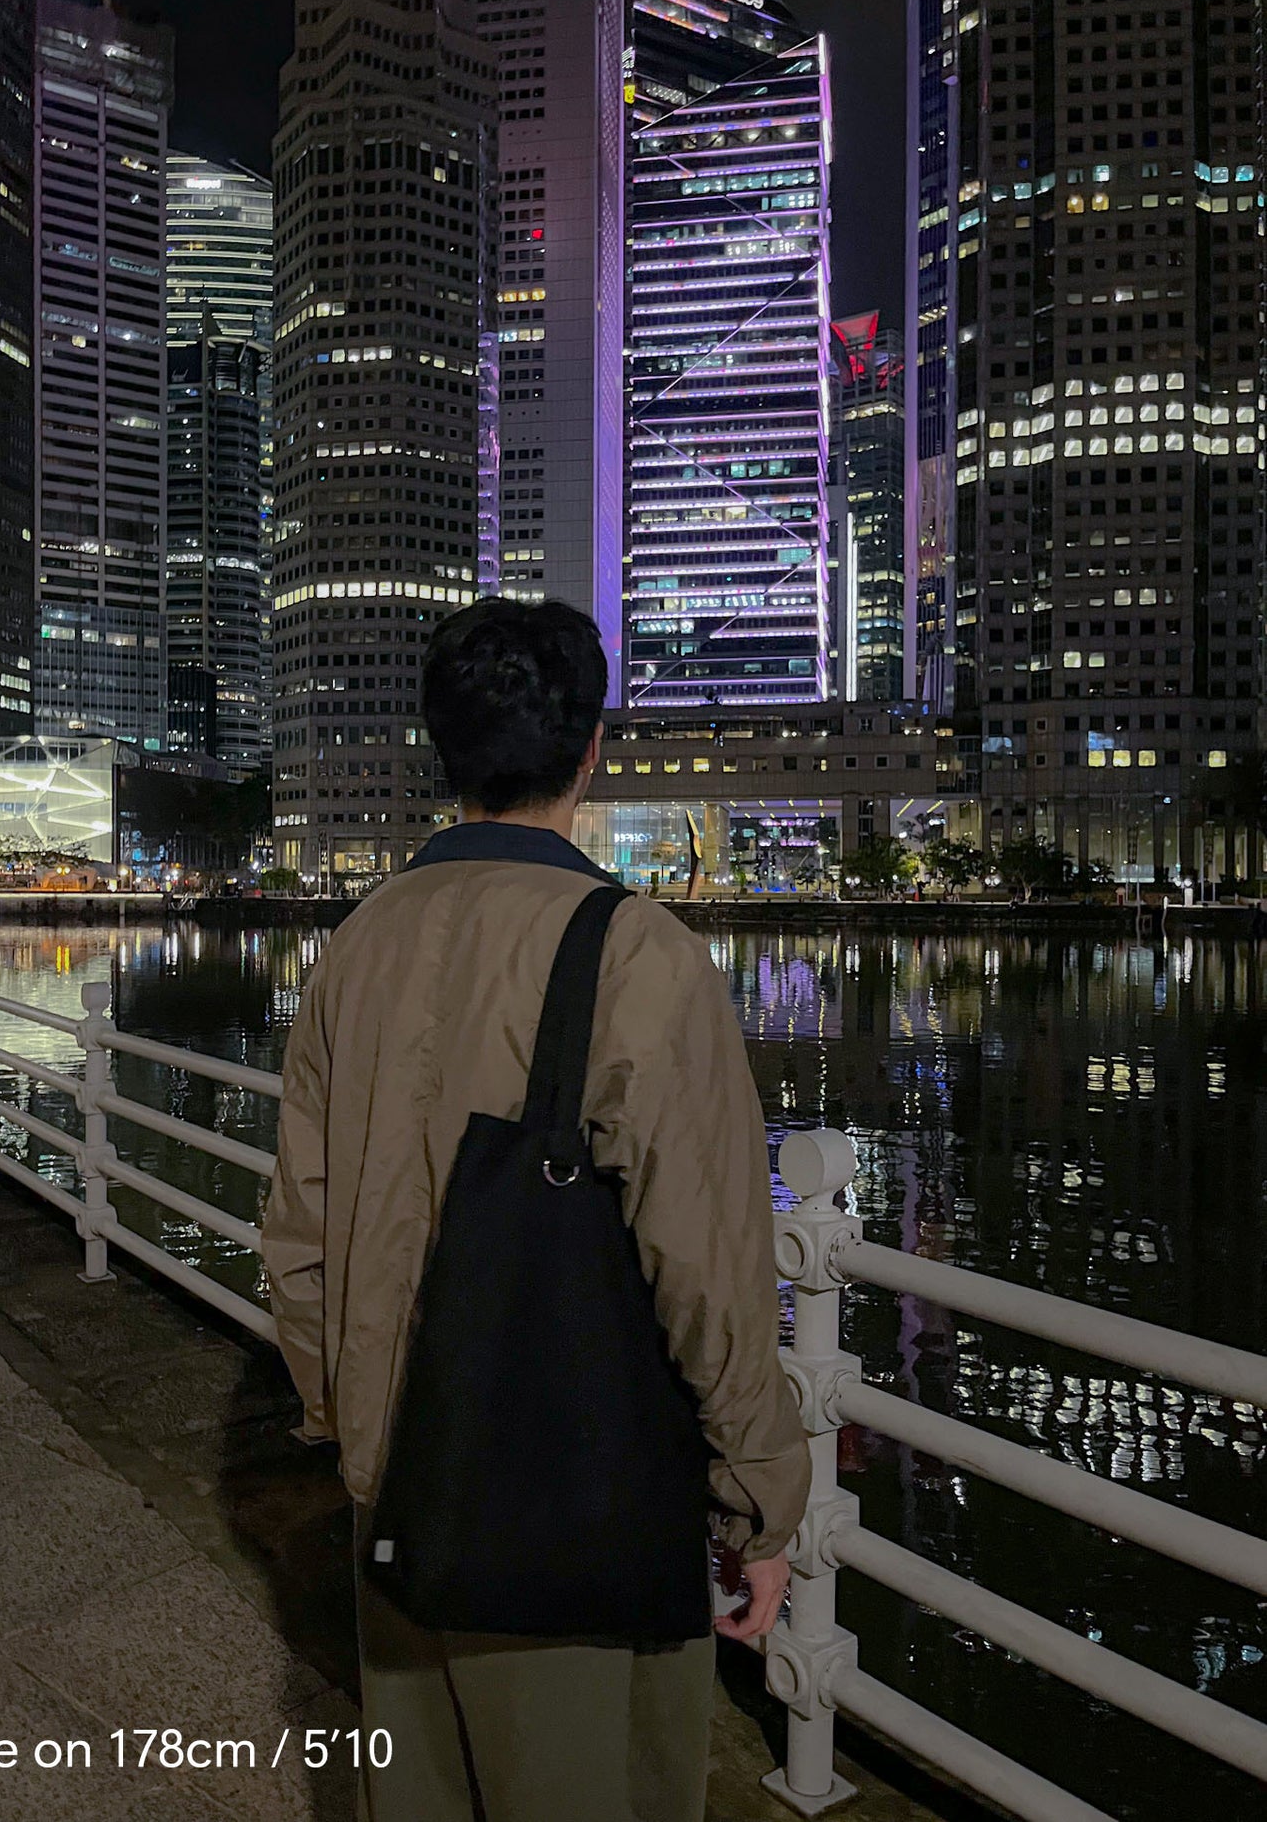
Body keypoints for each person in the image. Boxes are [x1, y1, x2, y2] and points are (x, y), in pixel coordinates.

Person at [263, 598, 810, 1822]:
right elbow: (708, 1267)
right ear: (591, 748)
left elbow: (298, 1242)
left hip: (398, 1495)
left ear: (440, 750)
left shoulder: (350, 950)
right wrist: (757, 1497)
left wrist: (355, 1426)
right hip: (573, 1504)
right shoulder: (635, 953)